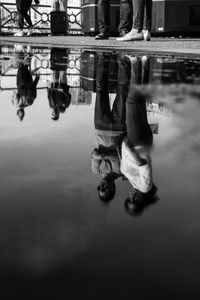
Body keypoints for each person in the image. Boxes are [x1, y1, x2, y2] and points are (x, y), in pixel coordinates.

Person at [120, 56, 158, 216]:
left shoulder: (137, 186)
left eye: (129, 200)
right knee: (132, 100)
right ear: (142, 202)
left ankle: (144, 62)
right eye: (134, 202)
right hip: (137, 143)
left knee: (139, 98)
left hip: (142, 141)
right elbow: (143, 166)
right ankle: (136, 62)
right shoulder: (144, 187)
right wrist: (130, 149)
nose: (131, 198)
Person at [91, 53, 130, 203]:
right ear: (113, 189)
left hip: (100, 125)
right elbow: (104, 155)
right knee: (122, 93)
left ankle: (103, 59)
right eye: (105, 190)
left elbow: (96, 153)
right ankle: (123, 61)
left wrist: (102, 155)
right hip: (119, 127)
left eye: (99, 189)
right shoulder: (121, 171)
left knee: (101, 89)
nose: (102, 187)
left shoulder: (96, 171)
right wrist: (102, 156)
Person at [13, 52, 40, 121]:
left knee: (23, 67)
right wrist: (37, 79)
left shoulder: (20, 104)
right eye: (21, 114)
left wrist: (37, 78)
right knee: (23, 67)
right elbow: (33, 90)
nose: (20, 112)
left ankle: (27, 54)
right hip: (24, 82)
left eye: (19, 114)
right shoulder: (27, 103)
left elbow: (16, 94)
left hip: (24, 82)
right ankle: (25, 53)